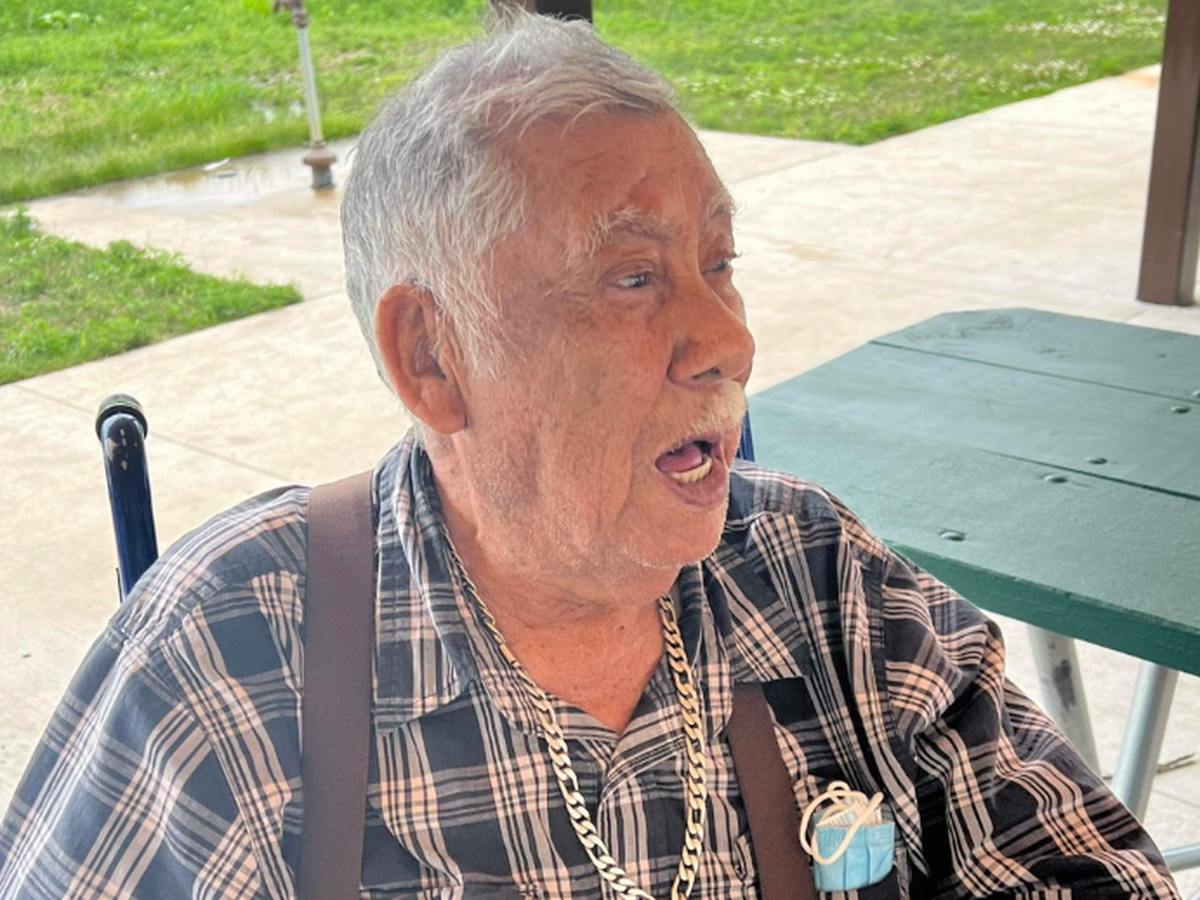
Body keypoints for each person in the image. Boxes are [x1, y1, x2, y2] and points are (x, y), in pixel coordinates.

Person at [0, 12, 1181, 900]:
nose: (729, 341)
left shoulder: (822, 583)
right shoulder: (231, 668)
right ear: (433, 358)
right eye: (633, 277)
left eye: (719, 264)